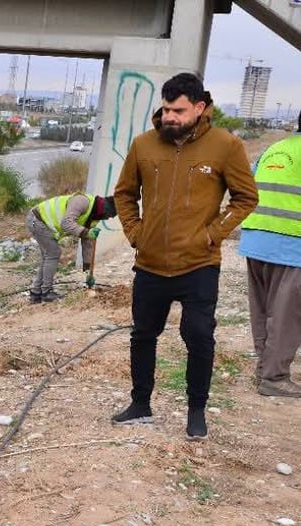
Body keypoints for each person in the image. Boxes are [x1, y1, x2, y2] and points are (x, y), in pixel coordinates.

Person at [112, 72, 258, 439]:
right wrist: (135, 232)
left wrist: (213, 234)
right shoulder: (144, 145)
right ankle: (140, 404)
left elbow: (246, 198)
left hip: (198, 265)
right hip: (150, 264)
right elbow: (125, 194)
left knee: (199, 336)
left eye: (178, 110)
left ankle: (196, 411)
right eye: (165, 110)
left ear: (199, 107)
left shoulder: (226, 146)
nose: (170, 118)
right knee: (143, 334)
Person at [238, 110, 301, 397]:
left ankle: (264, 368)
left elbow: (248, 185)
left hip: (256, 240)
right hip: (291, 244)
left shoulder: (273, 150)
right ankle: (274, 378)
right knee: (287, 314)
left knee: (262, 311)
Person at [26, 193, 117, 302]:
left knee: (48, 257)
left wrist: (88, 270)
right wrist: (87, 232)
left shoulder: (94, 217)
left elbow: (87, 241)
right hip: (37, 219)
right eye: (108, 215)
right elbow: (66, 223)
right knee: (53, 254)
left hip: (42, 222)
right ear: (105, 209)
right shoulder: (82, 201)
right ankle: (46, 292)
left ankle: (36, 293)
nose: (107, 218)